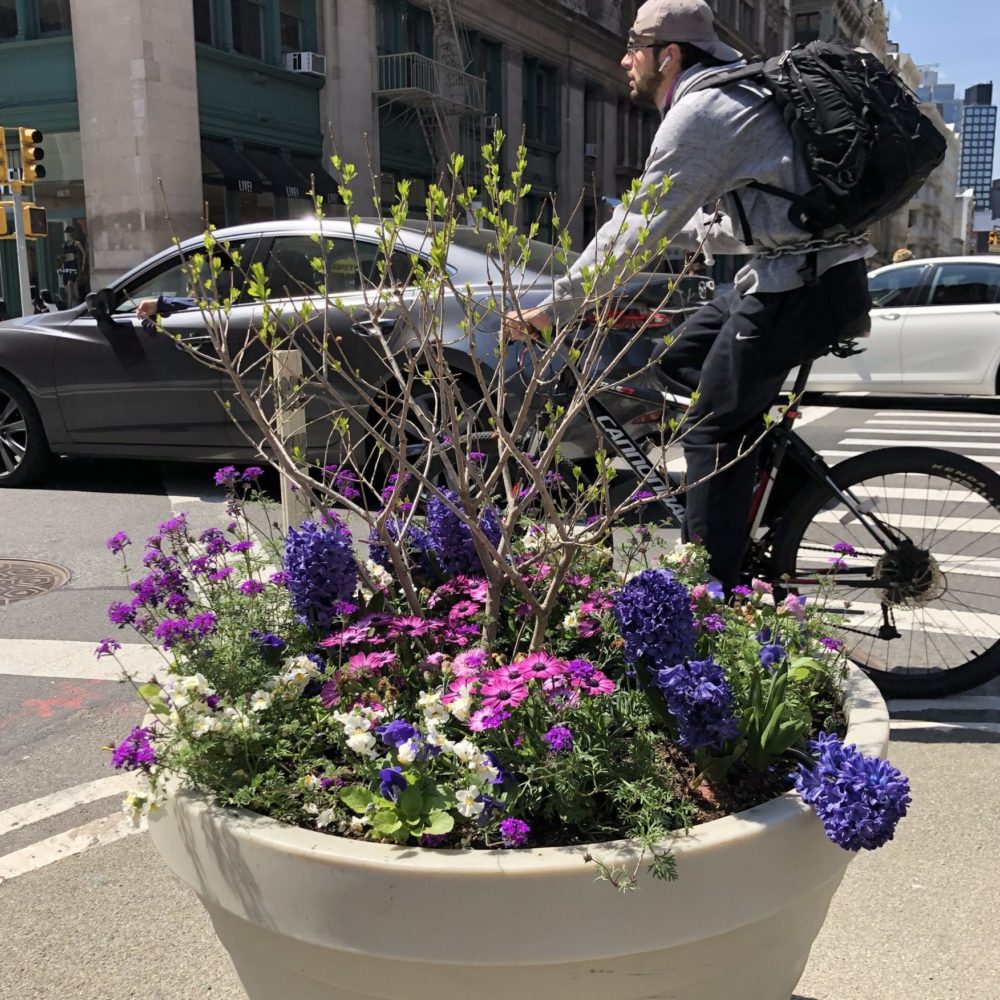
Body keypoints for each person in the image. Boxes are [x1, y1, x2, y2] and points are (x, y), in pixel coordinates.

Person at [504, 0, 871, 592]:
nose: (624, 61)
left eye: (634, 48)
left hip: (802, 286)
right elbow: (746, 217)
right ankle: (776, 500)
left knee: (710, 432)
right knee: (678, 361)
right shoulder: (739, 91)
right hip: (788, 274)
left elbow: (637, 227)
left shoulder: (701, 110)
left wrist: (558, 304)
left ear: (667, 56)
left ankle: (715, 596)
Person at [58, 226, 89, 307]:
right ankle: (76, 302)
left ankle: (69, 306)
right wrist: (61, 266)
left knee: (69, 284)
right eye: (67, 233)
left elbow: (84, 254)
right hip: (66, 265)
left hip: (73, 264)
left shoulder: (76, 243)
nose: (69, 234)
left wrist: (83, 265)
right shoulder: (64, 244)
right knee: (67, 288)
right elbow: (62, 257)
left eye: (69, 232)